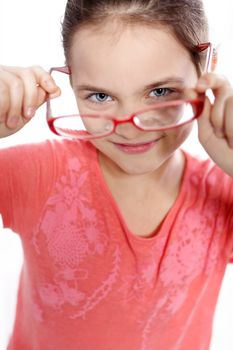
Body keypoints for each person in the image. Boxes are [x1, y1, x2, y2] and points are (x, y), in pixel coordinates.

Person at [0, 0, 233, 349]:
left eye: (159, 92)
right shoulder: (39, 176)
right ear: (71, 79)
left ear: (206, 67)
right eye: (100, 95)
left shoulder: (222, 195)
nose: (132, 127)